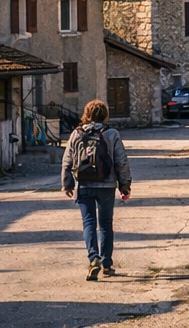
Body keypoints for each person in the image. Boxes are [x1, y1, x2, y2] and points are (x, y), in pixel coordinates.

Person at [61, 99, 132, 281]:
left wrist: (67, 183)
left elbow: (68, 160)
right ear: (104, 115)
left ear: (87, 114)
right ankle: (107, 264)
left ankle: (93, 258)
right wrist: (125, 185)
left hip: (84, 184)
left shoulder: (76, 134)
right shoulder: (111, 134)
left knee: (89, 223)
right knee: (106, 224)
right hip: (107, 185)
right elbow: (121, 161)